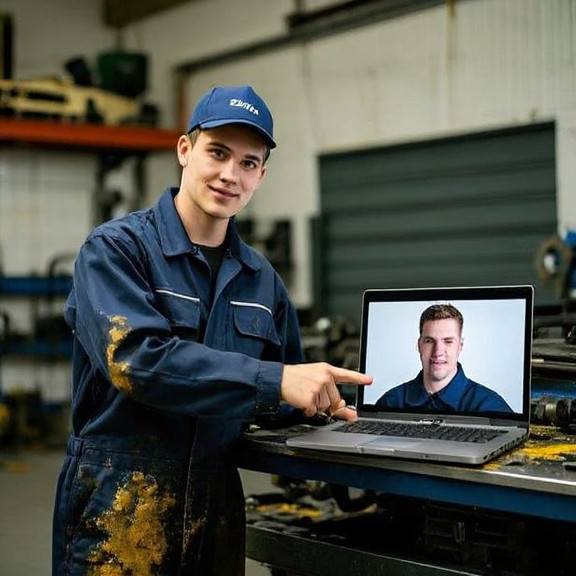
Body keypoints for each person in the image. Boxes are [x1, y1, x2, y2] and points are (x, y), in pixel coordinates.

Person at [52, 84, 373, 576]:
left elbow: (282, 392)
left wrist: (334, 411)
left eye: (248, 163)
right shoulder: (116, 251)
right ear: (185, 149)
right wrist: (277, 381)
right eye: (218, 153)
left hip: (215, 508)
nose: (230, 175)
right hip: (121, 504)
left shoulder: (262, 280)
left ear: (261, 175)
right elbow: (138, 362)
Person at [375, 303, 512, 413]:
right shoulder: (390, 402)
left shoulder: (490, 406)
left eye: (448, 341)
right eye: (429, 341)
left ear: (460, 346)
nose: (438, 352)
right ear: (419, 345)